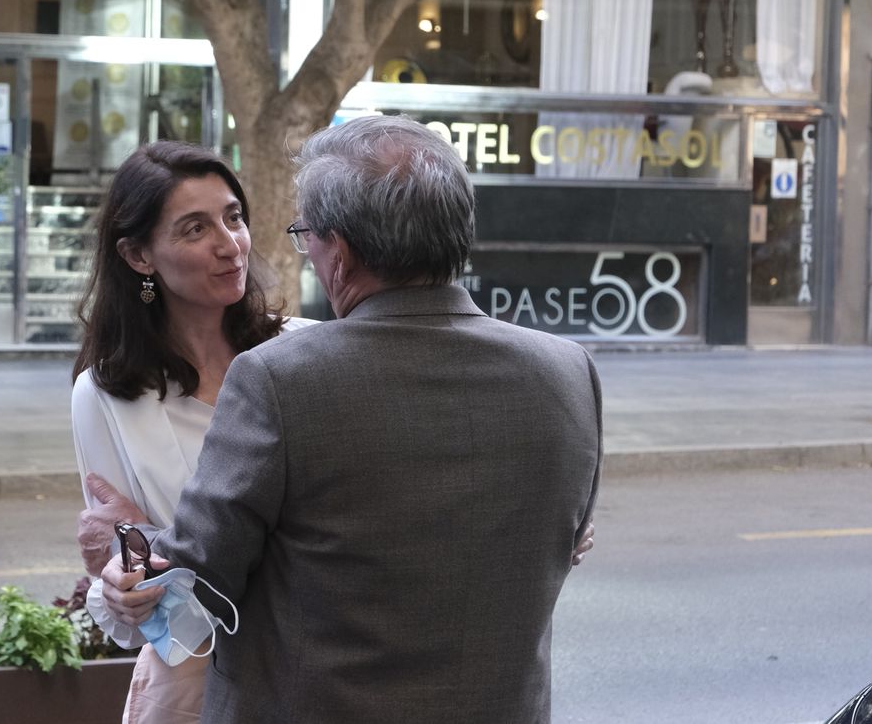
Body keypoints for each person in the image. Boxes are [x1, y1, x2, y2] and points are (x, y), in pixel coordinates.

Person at [100, 116, 602, 724]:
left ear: (338, 251)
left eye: (305, 235)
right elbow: (567, 539)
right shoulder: (568, 371)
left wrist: (133, 542)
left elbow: (195, 582)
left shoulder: (280, 379)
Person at [70, 140, 313, 723]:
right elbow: (139, 582)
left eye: (234, 218)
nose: (230, 245)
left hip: (319, 677)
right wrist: (127, 586)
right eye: (195, 229)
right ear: (139, 256)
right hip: (196, 688)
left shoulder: (307, 350)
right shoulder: (105, 395)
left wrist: (166, 544)